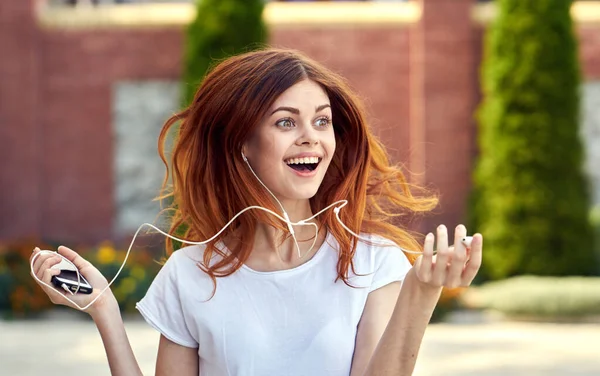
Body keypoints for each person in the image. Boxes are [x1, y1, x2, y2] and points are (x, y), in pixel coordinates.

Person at [30, 48, 483, 376]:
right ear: (241, 142)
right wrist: (103, 309)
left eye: (321, 121)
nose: (311, 137)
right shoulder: (190, 274)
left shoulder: (373, 261)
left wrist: (422, 291)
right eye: (286, 122)